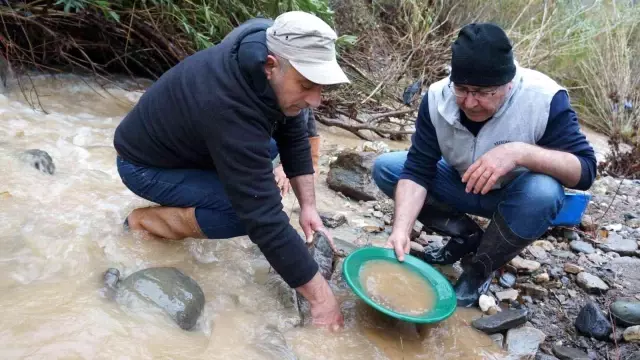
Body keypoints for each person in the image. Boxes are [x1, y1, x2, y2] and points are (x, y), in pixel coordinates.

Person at [113, 11, 350, 329]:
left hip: (193, 145)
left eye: (320, 87)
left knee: (275, 139)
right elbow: (263, 218)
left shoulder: (269, 39)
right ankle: (144, 222)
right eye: (307, 85)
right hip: (143, 165)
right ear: (270, 65)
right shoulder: (229, 104)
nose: (317, 100)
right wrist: (321, 299)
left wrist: (308, 207)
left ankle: (198, 197)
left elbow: (292, 130)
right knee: (243, 213)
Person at [371, 23, 597, 307]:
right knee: (388, 167)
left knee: (545, 190)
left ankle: (480, 268)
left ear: (508, 84)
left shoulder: (544, 98)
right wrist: (401, 230)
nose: (469, 102)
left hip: (515, 200)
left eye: (482, 92)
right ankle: (466, 235)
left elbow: (586, 170)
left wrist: (519, 153)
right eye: (462, 89)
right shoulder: (437, 97)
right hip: (460, 183)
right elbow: (417, 169)